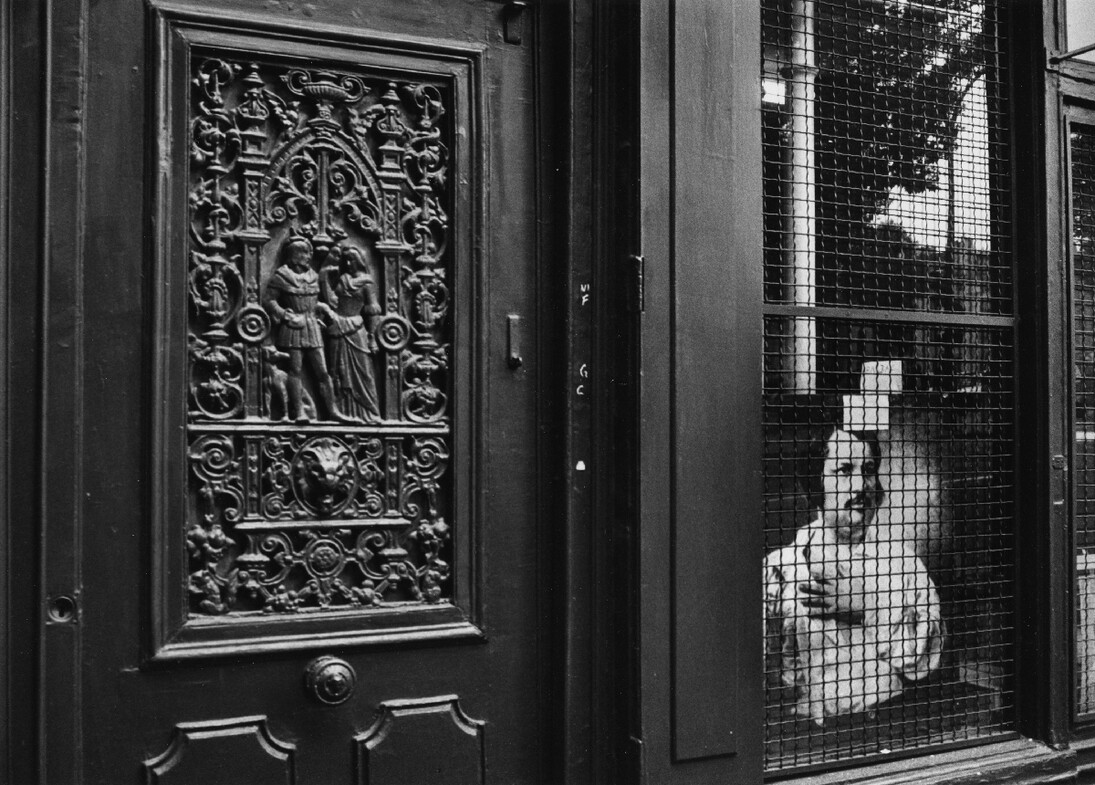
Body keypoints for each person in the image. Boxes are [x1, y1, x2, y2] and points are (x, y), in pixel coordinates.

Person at [764, 428, 943, 724]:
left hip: (889, 722)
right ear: (816, 482)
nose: (860, 485)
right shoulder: (780, 568)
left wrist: (867, 607)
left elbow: (926, 661)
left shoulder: (903, 563)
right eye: (845, 470)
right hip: (804, 732)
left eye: (868, 470)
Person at [262, 235, 344, 422]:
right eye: (305, 253)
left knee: (323, 371)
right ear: (295, 255)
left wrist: (323, 309)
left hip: (312, 326)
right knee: (295, 370)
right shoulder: (282, 276)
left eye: (309, 253)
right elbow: (269, 300)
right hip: (293, 327)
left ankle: (332, 411)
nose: (309, 257)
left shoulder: (313, 276)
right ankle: (299, 412)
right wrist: (285, 315)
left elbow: (313, 302)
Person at [320, 245, 382, 422]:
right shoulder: (343, 279)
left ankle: (370, 412)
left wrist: (372, 338)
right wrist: (323, 278)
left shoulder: (367, 283)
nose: (348, 264)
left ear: (360, 261)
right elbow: (332, 301)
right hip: (337, 327)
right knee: (337, 371)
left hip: (356, 330)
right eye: (345, 260)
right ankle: (342, 412)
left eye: (352, 260)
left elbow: (372, 311)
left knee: (363, 372)